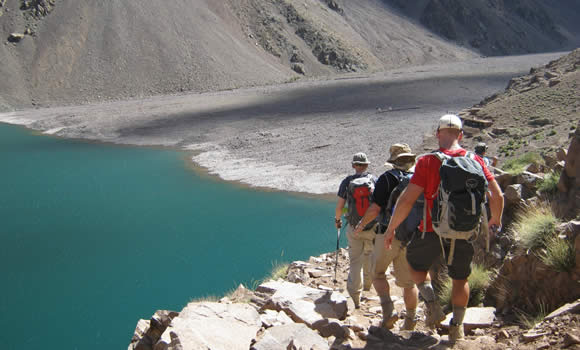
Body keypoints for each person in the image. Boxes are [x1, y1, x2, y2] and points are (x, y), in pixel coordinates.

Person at [384, 114, 504, 343]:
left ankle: (431, 303)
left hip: (430, 229)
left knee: (415, 266)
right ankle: (456, 327)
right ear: (461, 135)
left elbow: (407, 199)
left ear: (438, 133)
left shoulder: (428, 161)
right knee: (461, 279)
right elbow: (496, 195)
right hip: (465, 232)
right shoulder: (476, 160)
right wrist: (494, 220)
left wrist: (392, 228)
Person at [353, 143, 419, 330]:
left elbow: (375, 209)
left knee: (378, 273)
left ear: (394, 161)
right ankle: (411, 319)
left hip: (387, 234)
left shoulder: (387, 179)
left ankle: (389, 311)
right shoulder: (418, 179)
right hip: (412, 235)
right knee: (408, 282)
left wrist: (361, 225)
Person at [335, 152, 377, 309]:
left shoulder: (347, 182)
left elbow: (339, 207)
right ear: (366, 165)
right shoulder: (374, 180)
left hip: (354, 228)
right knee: (369, 255)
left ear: (354, 165)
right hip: (372, 227)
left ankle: (355, 297)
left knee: (355, 261)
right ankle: (368, 286)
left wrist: (337, 220)